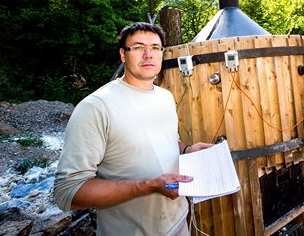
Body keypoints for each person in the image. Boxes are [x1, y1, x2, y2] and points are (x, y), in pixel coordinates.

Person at [54, 22, 212, 235]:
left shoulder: (164, 97)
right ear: (123, 54)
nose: (148, 54)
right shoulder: (97, 107)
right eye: (138, 47)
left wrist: (187, 150)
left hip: (179, 224)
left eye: (155, 47)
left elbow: (166, 142)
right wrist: (148, 185)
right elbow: (68, 193)